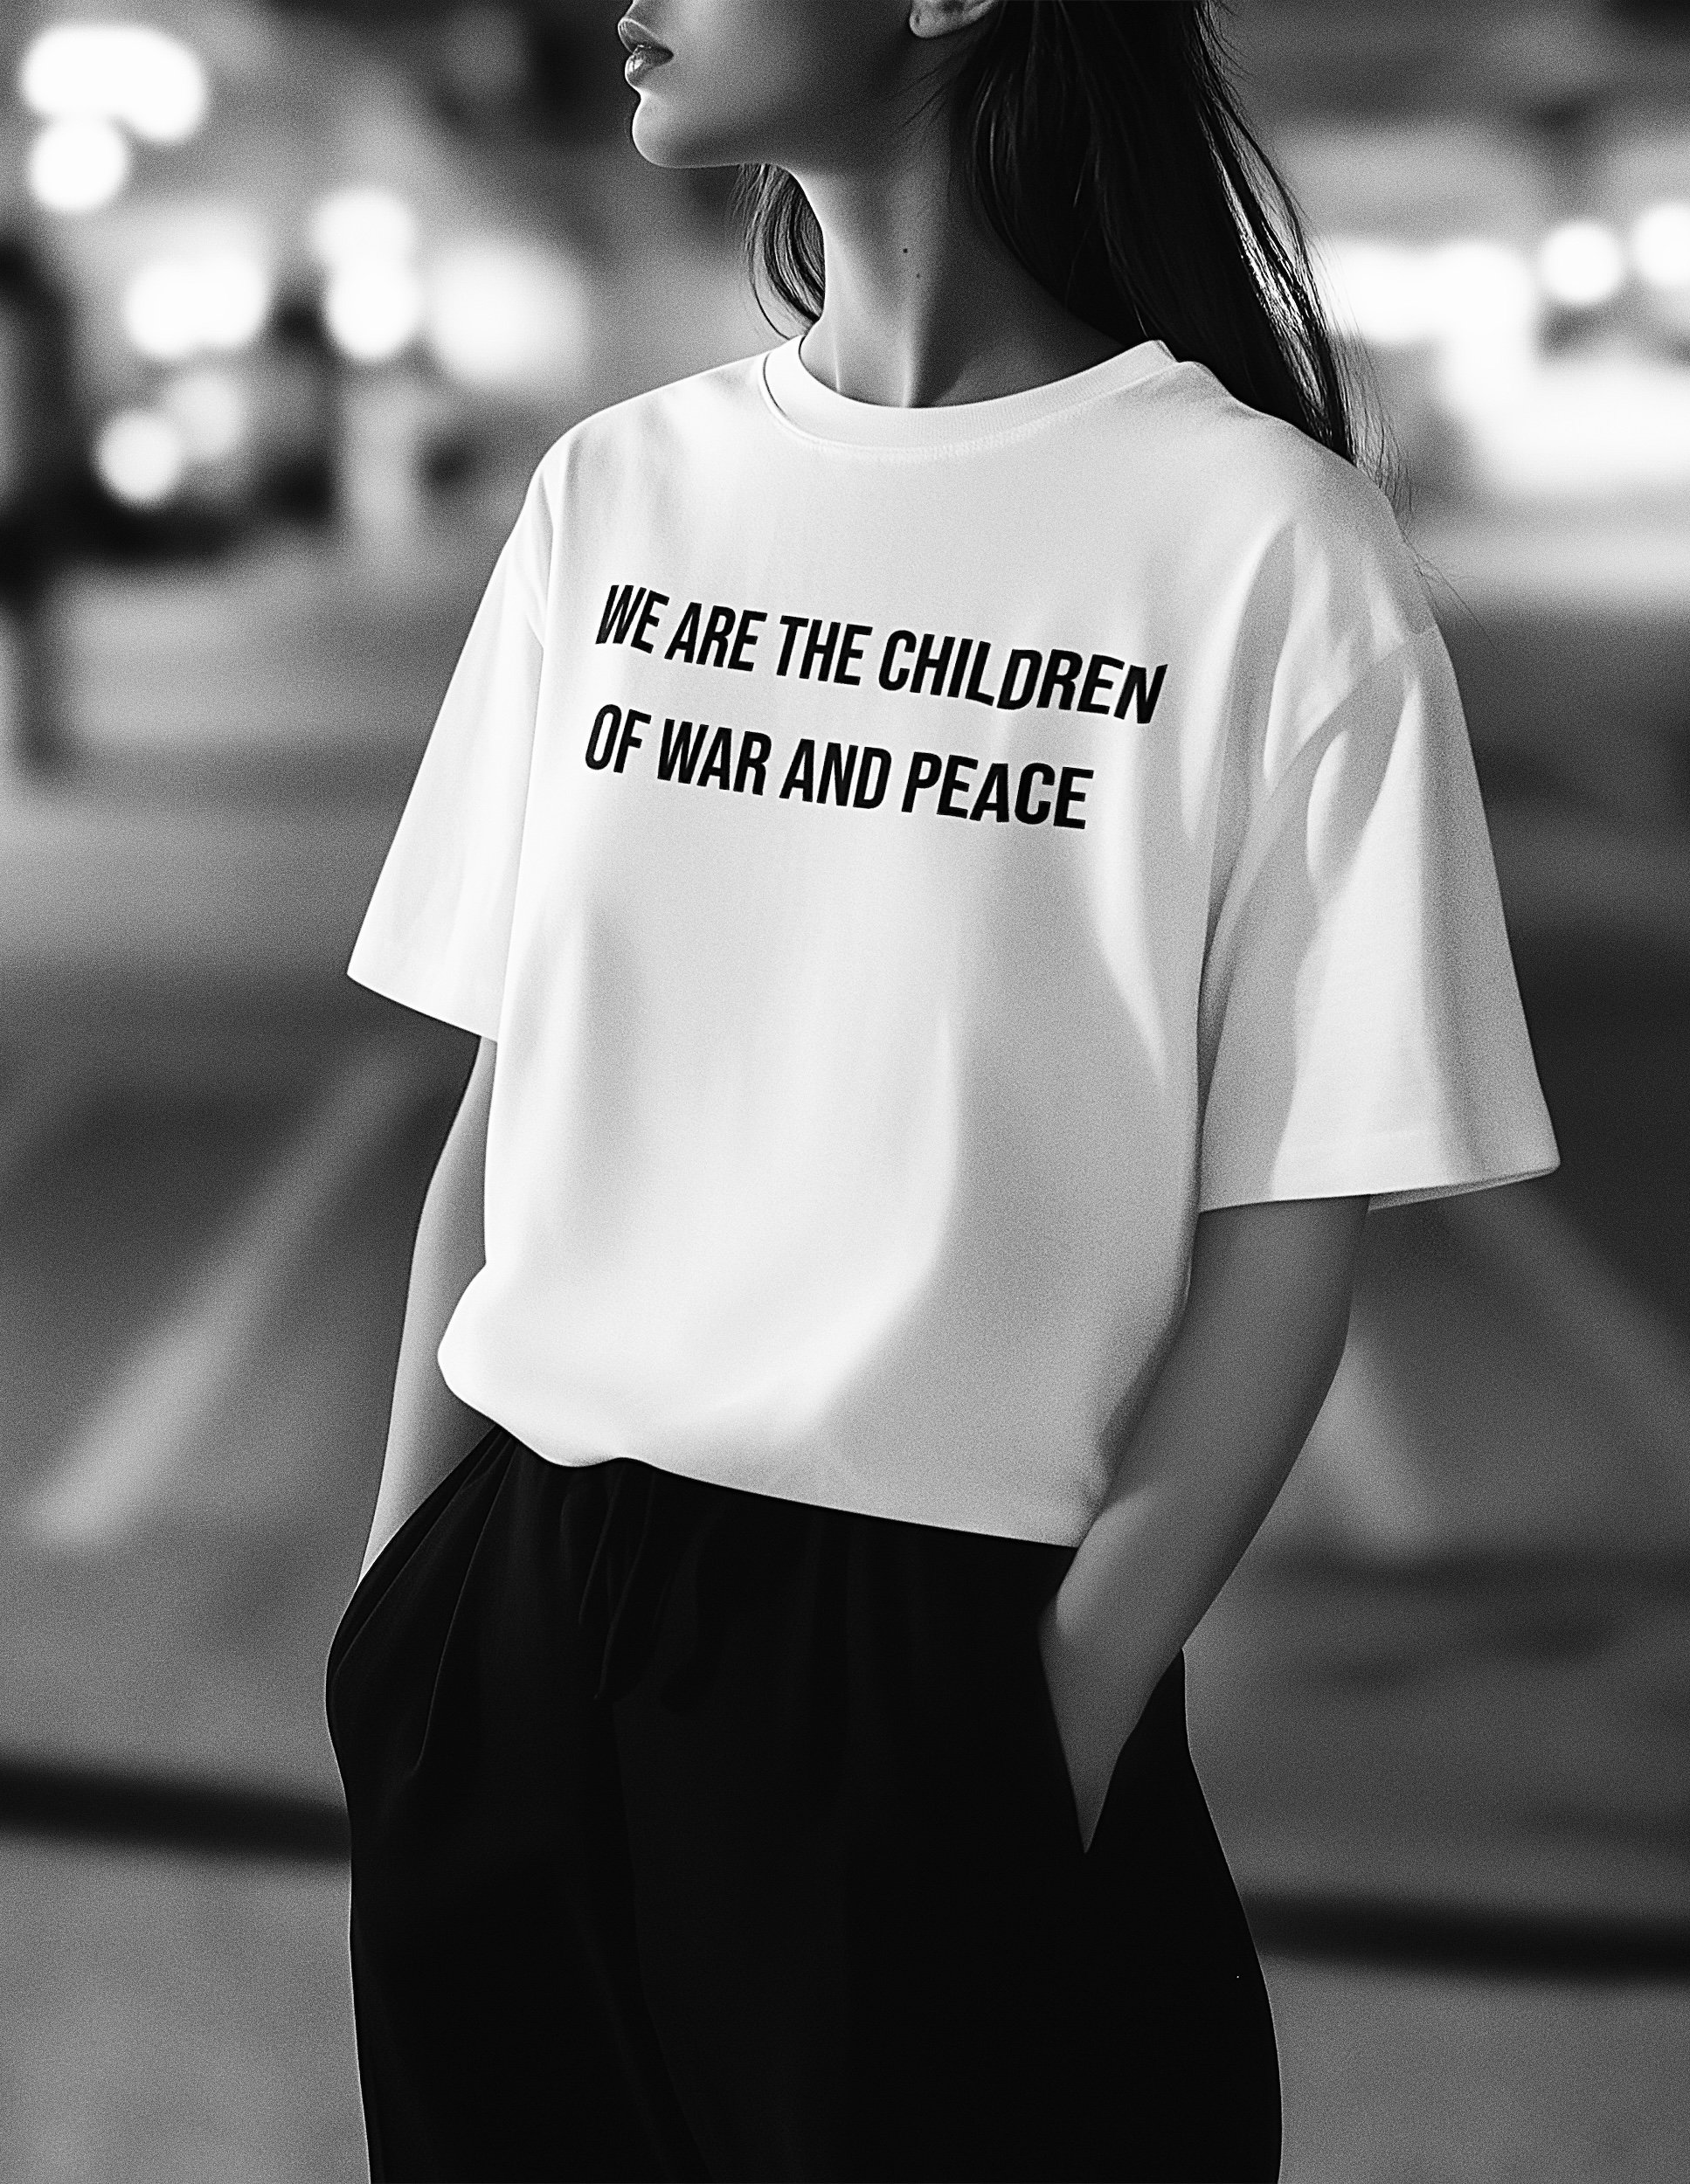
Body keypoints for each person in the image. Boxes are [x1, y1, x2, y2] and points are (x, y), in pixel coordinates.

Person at [325, 2, 1557, 2178]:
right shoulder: (616, 493)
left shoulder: (1262, 547)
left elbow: (1287, 1226)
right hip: (517, 1610)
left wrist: (1045, 1727)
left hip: (939, 1649)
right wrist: (403, 1617)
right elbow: (513, 1097)